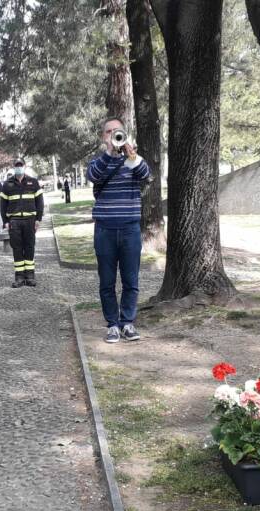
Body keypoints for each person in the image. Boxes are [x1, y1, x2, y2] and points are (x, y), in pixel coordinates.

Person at [86, 118, 150, 344]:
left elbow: (145, 174)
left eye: (117, 131)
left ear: (125, 133)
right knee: (107, 281)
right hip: (105, 230)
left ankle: (128, 323)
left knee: (131, 280)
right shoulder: (98, 162)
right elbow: (93, 176)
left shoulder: (133, 160)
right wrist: (110, 154)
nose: (113, 135)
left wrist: (129, 154)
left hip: (130, 229)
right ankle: (112, 324)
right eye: (109, 132)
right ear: (104, 137)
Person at [0, 158, 43, 288]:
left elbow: (39, 202)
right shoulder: (7, 185)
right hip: (14, 221)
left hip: (30, 220)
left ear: (24, 166)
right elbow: (3, 205)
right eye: (16, 166)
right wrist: (5, 222)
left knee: (29, 247)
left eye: (21, 165)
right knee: (17, 248)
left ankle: (30, 276)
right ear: (13, 167)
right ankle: (19, 277)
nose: (19, 167)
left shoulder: (33, 182)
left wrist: (38, 219)